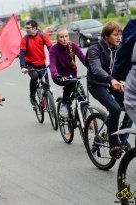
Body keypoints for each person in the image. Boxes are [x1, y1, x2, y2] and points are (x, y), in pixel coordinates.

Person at [86, 21, 124, 158]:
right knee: (115, 109)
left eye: (120, 34)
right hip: (97, 85)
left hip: (114, 83)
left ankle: (122, 136)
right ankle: (114, 144)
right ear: (106, 36)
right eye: (115, 34)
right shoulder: (94, 49)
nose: (119, 37)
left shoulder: (118, 48)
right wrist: (111, 80)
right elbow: (96, 69)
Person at [49, 28, 86, 117]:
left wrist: (93, 69)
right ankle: (64, 104)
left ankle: (83, 118)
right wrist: (55, 74)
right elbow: (52, 64)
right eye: (62, 37)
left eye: (66, 36)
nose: (64, 39)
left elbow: (83, 59)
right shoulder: (53, 49)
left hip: (73, 75)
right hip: (59, 77)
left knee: (82, 96)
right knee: (71, 83)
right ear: (57, 38)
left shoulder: (73, 46)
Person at [19, 20, 52, 105]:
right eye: (25, 28)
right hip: (30, 65)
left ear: (34, 28)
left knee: (47, 86)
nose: (26, 30)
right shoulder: (25, 39)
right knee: (34, 77)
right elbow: (22, 54)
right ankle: (32, 96)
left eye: (28, 28)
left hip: (42, 64)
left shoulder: (42, 36)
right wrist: (23, 67)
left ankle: (47, 100)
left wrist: (54, 61)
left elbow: (50, 48)